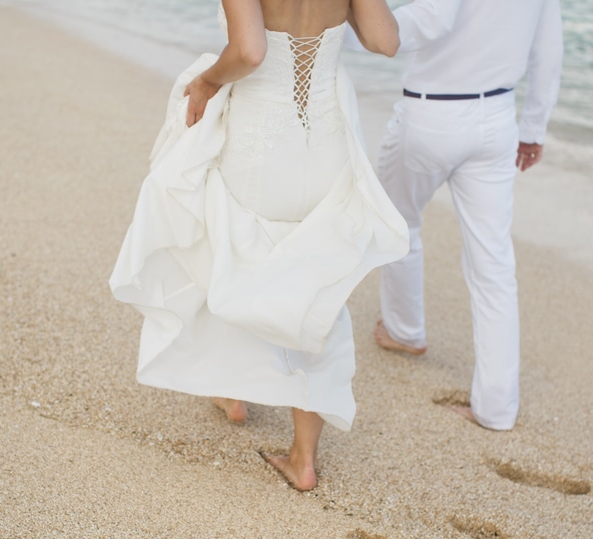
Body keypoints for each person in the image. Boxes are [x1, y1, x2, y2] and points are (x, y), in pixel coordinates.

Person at [110, 0, 408, 490]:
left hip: (261, 143)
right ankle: (303, 458)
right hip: (326, 140)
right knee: (313, 278)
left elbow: (249, 52)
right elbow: (386, 41)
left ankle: (231, 392)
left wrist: (207, 81)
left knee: (230, 250)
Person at [366, 0, 563, 430]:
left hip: (431, 114)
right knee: (493, 265)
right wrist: (534, 128)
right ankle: (496, 409)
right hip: (497, 118)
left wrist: (362, 23)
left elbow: (433, 17)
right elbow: (548, 50)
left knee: (398, 223)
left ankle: (404, 331)